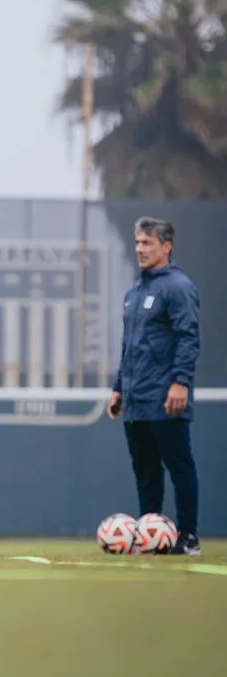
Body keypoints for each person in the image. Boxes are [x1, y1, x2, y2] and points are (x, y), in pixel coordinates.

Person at [107, 216, 201, 555]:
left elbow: (188, 338)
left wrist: (180, 383)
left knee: (179, 466)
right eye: (137, 243)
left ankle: (188, 536)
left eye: (147, 243)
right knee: (145, 473)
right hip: (136, 399)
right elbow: (129, 347)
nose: (140, 249)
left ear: (166, 246)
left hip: (166, 397)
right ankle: (151, 535)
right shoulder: (134, 292)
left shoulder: (177, 287)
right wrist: (119, 389)